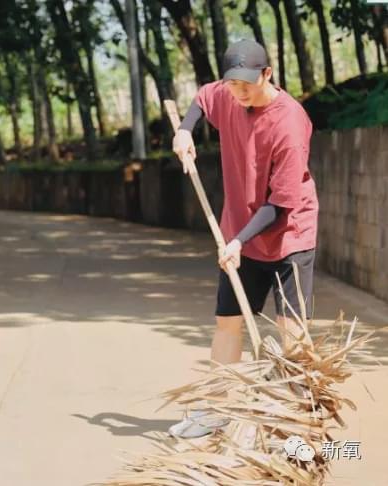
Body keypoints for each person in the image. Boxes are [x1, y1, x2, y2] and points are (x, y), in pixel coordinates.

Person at [168, 39, 319, 438]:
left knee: (291, 328)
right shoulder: (229, 94)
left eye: (246, 86)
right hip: (239, 230)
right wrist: (185, 131)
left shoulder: (290, 123)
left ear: (266, 74)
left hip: (288, 234)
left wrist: (237, 242)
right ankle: (216, 411)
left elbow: (281, 203)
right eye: (232, 86)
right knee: (228, 321)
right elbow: (203, 98)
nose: (238, 94)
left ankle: (301, 419)